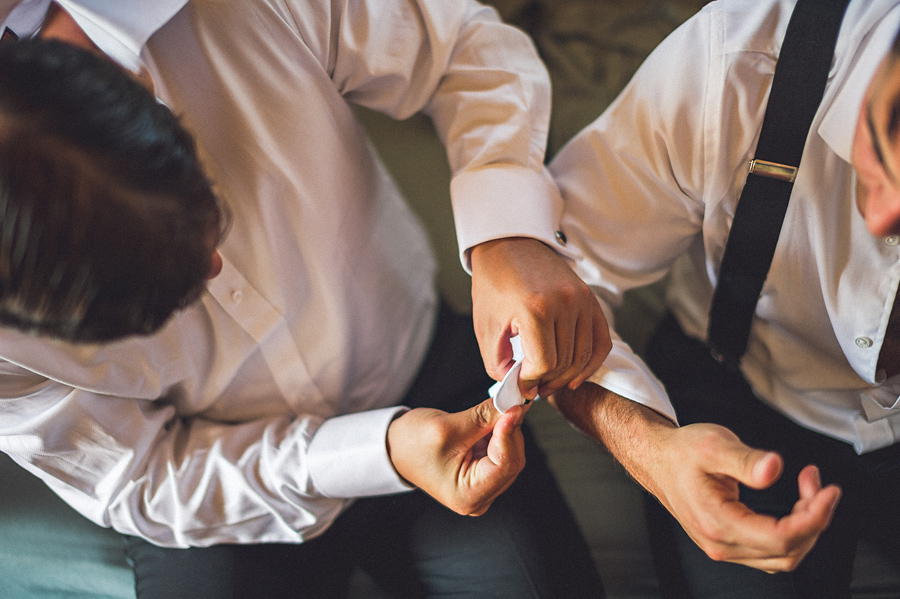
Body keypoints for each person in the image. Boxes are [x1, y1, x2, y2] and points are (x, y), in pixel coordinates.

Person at [0, 0, 609, 597]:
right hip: (212, 490)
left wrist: (507, 235)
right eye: (165, 300)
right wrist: (378, 454)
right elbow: (136, 478)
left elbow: (459, 44)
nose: (216, 265)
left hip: (421, 364)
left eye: (209, 203)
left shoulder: (234, 12)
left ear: (133, 86)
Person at [544, 0, 900, 597]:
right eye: (881, 145)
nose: (881, 215)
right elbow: (557, 288)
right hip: (741, 393)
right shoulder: (731, 64)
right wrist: (653, 452)